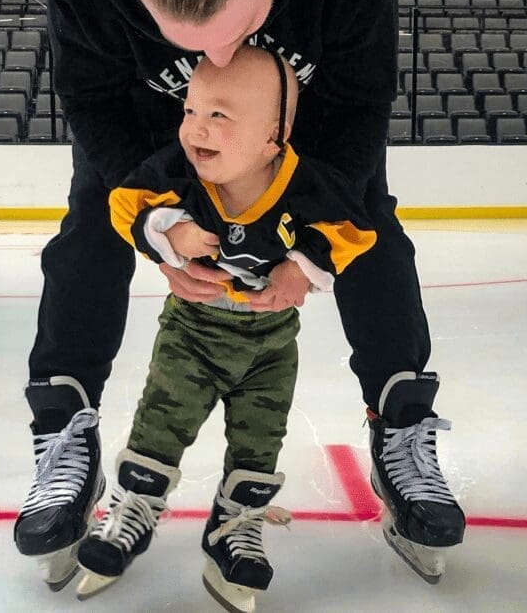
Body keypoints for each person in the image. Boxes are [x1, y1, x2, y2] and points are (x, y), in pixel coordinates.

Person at [13, 0, 465, 591]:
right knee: (92, 221)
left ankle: (401, 417)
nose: (220, 59)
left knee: (369, 224)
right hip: (153, 118)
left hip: (299, 112)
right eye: (191, 39)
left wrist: (313, 253)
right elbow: (92, 105)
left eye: (238, 26)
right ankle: (64, 424)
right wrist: (158, 225)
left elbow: (359, 110)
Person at [74, 45, 376, 609]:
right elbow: (126, 204)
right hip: (193, 332)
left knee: (260, 440)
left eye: (219, 115)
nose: (196, 128)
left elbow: (351, 230)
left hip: (272, 344)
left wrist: (300, 268)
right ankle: (134, 508)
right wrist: (168, 233)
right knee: (161, 424)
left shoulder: (307, 182)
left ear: (274, 136)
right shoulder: (178, 172)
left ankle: (237, 524)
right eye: (190, 110)